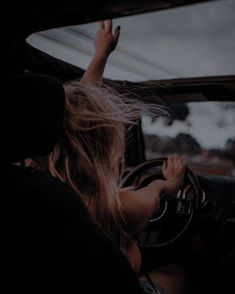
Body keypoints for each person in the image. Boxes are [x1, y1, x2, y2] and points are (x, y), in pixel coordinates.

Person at [35, 20, 187, 294]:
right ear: (108, 150)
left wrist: (100, 55)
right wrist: (172, 183)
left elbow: (75, 121)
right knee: (177, 275)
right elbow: (156, 191)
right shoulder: (119, 208)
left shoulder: (32, 191)